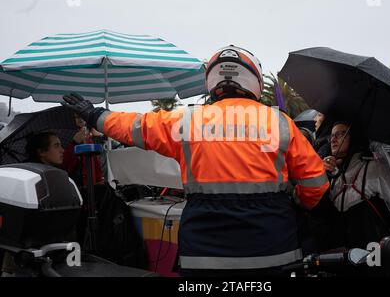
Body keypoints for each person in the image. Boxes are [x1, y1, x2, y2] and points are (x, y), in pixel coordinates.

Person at [62, 45, 329, 276]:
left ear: (213, 81)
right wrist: (296, 201)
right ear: (254, 81)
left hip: (204, 254)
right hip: (274, 251)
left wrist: (94, 114)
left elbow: (135, 127)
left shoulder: (187, 121)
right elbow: (316, 184)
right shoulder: (280, 123)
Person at [315, 122, 390, 251]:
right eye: (332, 136)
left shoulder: (373, 168)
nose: (334, 139)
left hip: (371, 250)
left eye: (341, 134)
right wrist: (321, 174)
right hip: (341, 251)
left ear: (355, 137)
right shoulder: (330, 169)